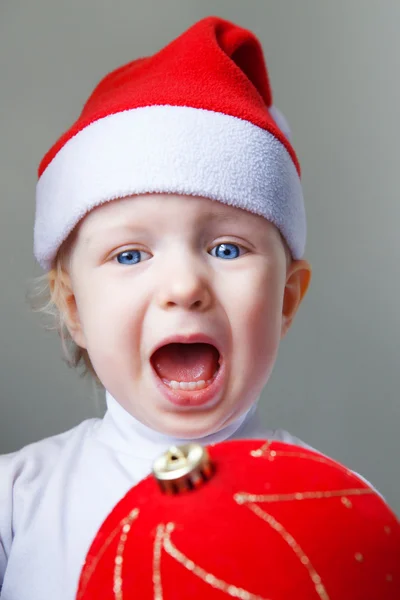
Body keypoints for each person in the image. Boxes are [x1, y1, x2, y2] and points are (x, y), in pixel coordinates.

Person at [2, 14, 326, 599]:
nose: (184, 285)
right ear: (74, 308)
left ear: (286, 299)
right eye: (130, 255)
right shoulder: (16, 501)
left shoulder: (328, 504)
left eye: (226, 248)